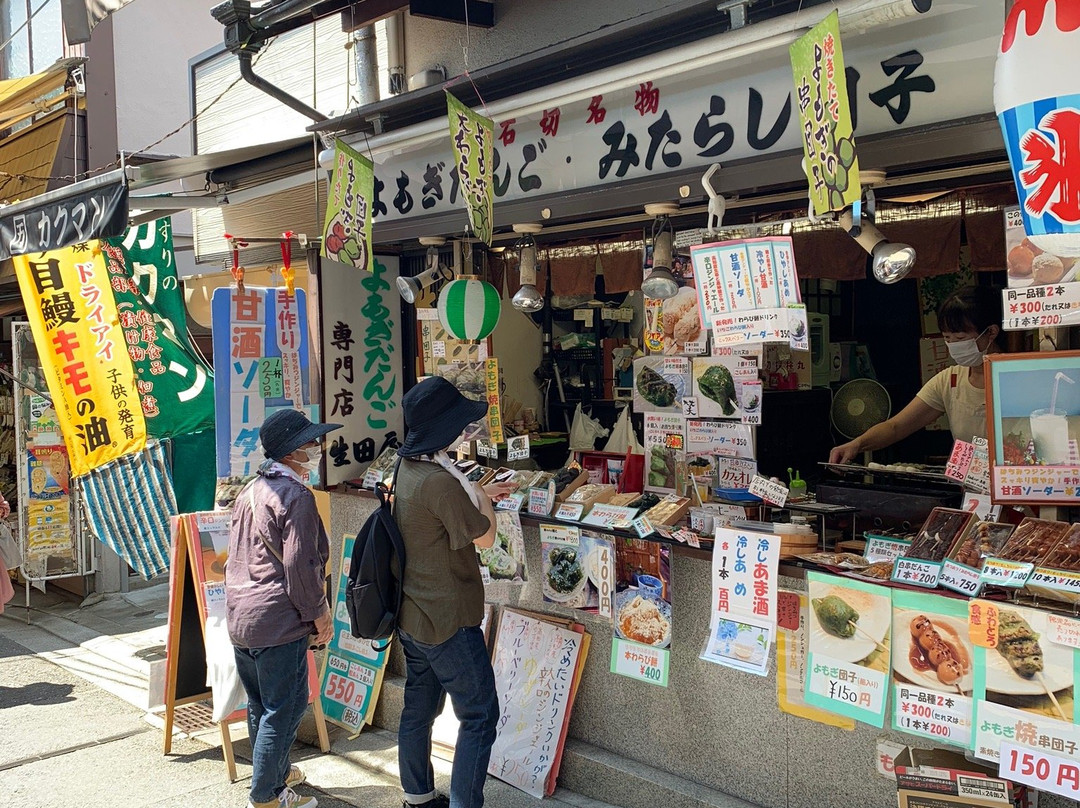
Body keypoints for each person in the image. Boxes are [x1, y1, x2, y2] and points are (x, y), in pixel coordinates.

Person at [393, 377, 512, 808]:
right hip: (447, 619)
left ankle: (418, 796)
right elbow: (483, 536)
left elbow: (449, 511)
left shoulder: (409, 468)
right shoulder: (439, 482)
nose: (463, 432)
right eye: (458, 425)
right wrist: (485, 499)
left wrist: (477, 494)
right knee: (480, 715)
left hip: (412, 614)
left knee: (419, 709)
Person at [225, 409, 341, 808]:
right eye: (310, 443)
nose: (316, 448)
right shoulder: (296, 496)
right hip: (278, 620)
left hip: (243, 617)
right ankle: (267, 796)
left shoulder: (250, 491)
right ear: (293, 451)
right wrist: (320, 615)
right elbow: (301, 565)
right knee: (285, 706)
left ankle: (274, 773)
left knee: (261, 705)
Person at [830, 285, 1003, 464]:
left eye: (959, 339)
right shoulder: (949, 381)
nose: (953, 345)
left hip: (1016, 483)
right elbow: (895, 427)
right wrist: (856, 445)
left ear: (991, 332)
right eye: (947, 339)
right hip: (970, 488)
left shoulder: (1017, 377)